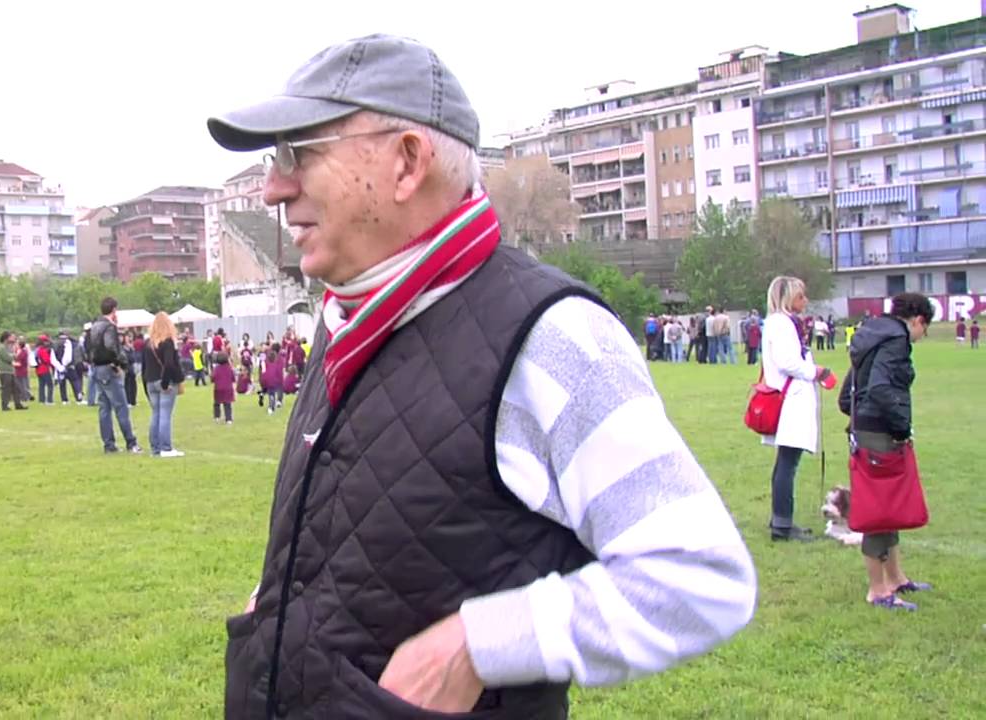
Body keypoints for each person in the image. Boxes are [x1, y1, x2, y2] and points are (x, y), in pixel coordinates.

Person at [208, 34, 756, 718]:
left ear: (407, 163)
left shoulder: (551, 335)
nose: (274, 188)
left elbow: (699, 574)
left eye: (299, 153)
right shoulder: (349, 314)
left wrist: (478, 645)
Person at [837, 292, 933, 611]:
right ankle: (878, 590)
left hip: (866, 427)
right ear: (918, 320)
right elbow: (880, 388)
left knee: (888, 506)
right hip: (880, 430)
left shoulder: (871, 335)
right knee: (879, 510)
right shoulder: (895, 340)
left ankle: (895, 577)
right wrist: (901, 426)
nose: (922, 335)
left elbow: (848, 393)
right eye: (925, 328)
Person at [759, 277, 834, 542]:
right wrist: (816, 372)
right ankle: (782, 523)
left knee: (786, 461)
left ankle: (781, 519)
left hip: (790, 396)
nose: (805, 301)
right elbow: (788, 361)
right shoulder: (781, 324)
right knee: (788, 463)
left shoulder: (781, 323)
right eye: (801, 296)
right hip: (790, 398)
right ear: (788, 298)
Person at [88, 297, 142, 454]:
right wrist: (121, 363)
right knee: (121, 407)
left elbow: (89, 348)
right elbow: (111, 346)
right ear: (113, 310)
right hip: (109, 368)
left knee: (104, 408)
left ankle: (109, 444)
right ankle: (131, 442)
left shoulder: (93, 327)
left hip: (97, 368)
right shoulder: (109, 327)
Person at [143, 312, 185, 457]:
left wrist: (146, 385)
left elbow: (145, 366)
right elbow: (169, 363)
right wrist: (166, 383)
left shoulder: (148, 344)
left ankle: (155, 447)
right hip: (164, 381)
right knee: (165, 415)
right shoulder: (167, 342)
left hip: (151, 381)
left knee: (156, 414)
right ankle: (166, 448)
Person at [0, 332, 26, 411]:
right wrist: (13, 355)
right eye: (10, 337)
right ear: (6, 338)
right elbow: (8, 358)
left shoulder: (8, 347)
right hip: (5, 371)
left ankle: (18, 404)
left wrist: (13, 355)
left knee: (16, 388)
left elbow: (12, 356)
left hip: (11, 371)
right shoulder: (2, 347)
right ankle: (5, 406)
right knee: (6, 389)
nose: (12, 339)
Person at [212, 351, 236, 424]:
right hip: (228, 388)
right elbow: (233, 378)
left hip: (218, 388)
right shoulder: (229, 368)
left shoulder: (216, 368)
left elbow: (213, 378)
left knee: (217, 403)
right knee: (227, 404)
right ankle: (228, 419)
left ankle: (217, 417)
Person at [259, 347, 283, 414]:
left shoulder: (266, 365)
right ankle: (272, 406)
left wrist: (263, 382)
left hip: (268, 381)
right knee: (272, 394)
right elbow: (279, 374)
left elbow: (263, 373)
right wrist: (280, 381)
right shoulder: (276, 366)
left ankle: (271, 407)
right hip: (274, 381)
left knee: (271, 394)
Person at [34, 335, 55, 405]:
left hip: (38, 369)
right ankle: (49, 400)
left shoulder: (37, 349)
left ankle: (41, 400)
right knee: (50, 384)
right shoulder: (42, 350)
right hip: (44, 369)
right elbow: (46, 360)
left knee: (41, 385)